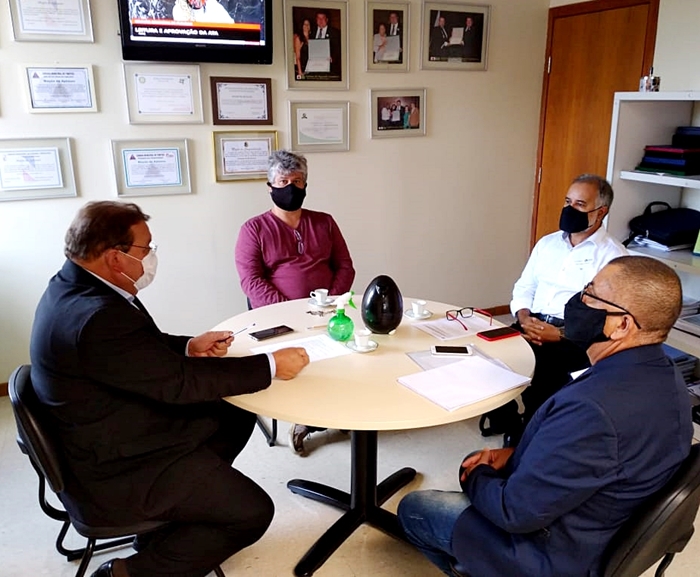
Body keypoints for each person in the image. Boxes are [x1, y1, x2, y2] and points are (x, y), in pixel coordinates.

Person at [30, 201, 310, 577]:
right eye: (146, 248)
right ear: (115, 257)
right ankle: (126, 572)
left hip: (107, 424)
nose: (151, 256)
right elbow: (179, 384)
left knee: (233, 409)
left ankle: (180, 513)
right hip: (118, 467)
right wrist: (271, 365)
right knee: (253, 512)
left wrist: (188, 346)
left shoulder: (72, 285)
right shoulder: (97, 317)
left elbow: (137, 349)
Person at [398, 255, 693, 577]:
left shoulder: (593, 409)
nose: (579, 300)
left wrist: (476, 475)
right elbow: (595, 460)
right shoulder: (667, 377)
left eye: (590, 294)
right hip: (601, 522)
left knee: (416, 508)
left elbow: (515, 512)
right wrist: (516, 455)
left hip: (554, 554)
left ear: (621, 325)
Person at [235, 150, 355, 455]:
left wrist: (331, 303)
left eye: (297, 181)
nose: (291, 187)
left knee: (348, 352)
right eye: (283, 181)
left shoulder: (325, 223)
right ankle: (304, 421)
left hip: (328, 310)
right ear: (270, 186)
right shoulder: (254, 229)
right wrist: (290, 311)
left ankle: (339, 410)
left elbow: (345, 266)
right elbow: (251, 280)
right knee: (301, 359)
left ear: (305, 185)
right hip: (278, 316)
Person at [500, 174, 627, 446]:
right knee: (486, 360)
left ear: (601, 212)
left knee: (544, 385)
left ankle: (526, 442)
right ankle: (510, 423)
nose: (570, 209)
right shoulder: (547, 244)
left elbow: (608, 317)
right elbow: (524, 287)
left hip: (572, 337)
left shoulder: (614, 257)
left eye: (580, 204)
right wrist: (524, 317)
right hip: (531, 323)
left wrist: (558, 334)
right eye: (568, 202)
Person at [312, 10, 341, 78]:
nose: (320, 20)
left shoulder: (335, 32)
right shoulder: (311, 32)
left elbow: (338, 49)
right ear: (316, 19)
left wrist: (332, 58)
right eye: (319, 18)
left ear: (327, 20)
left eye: (323, 18)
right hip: (314, 66)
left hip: (330, 68)